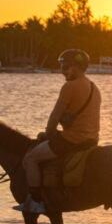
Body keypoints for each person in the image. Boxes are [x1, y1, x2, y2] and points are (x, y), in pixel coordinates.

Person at [14, 49, 101, 213]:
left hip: (72, 139)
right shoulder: (93, 87)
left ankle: (35, 201)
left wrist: (48, 134)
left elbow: (55, 117)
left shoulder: (69, 86)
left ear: (76, 67)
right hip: (91, 139)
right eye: (62, 67)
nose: (63, 71)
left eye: (66, 67)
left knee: (31, 158)